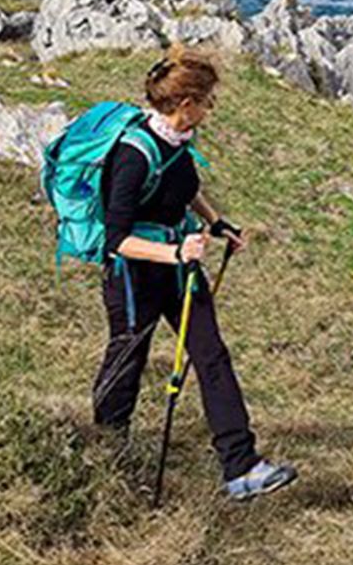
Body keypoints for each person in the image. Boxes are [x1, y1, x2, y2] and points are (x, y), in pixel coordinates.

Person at [90, 46, 298, 502]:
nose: (210, 108)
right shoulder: (133, 155)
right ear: (185, 104)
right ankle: (106, 455)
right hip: (134, 273)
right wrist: (175, 252)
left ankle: (242, 467)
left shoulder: (179, 140)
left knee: (212, 355)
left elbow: (184, 185)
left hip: (178, 263)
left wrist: (215, 221)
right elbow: (115, 239)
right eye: (206, 100)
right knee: (128, 359)